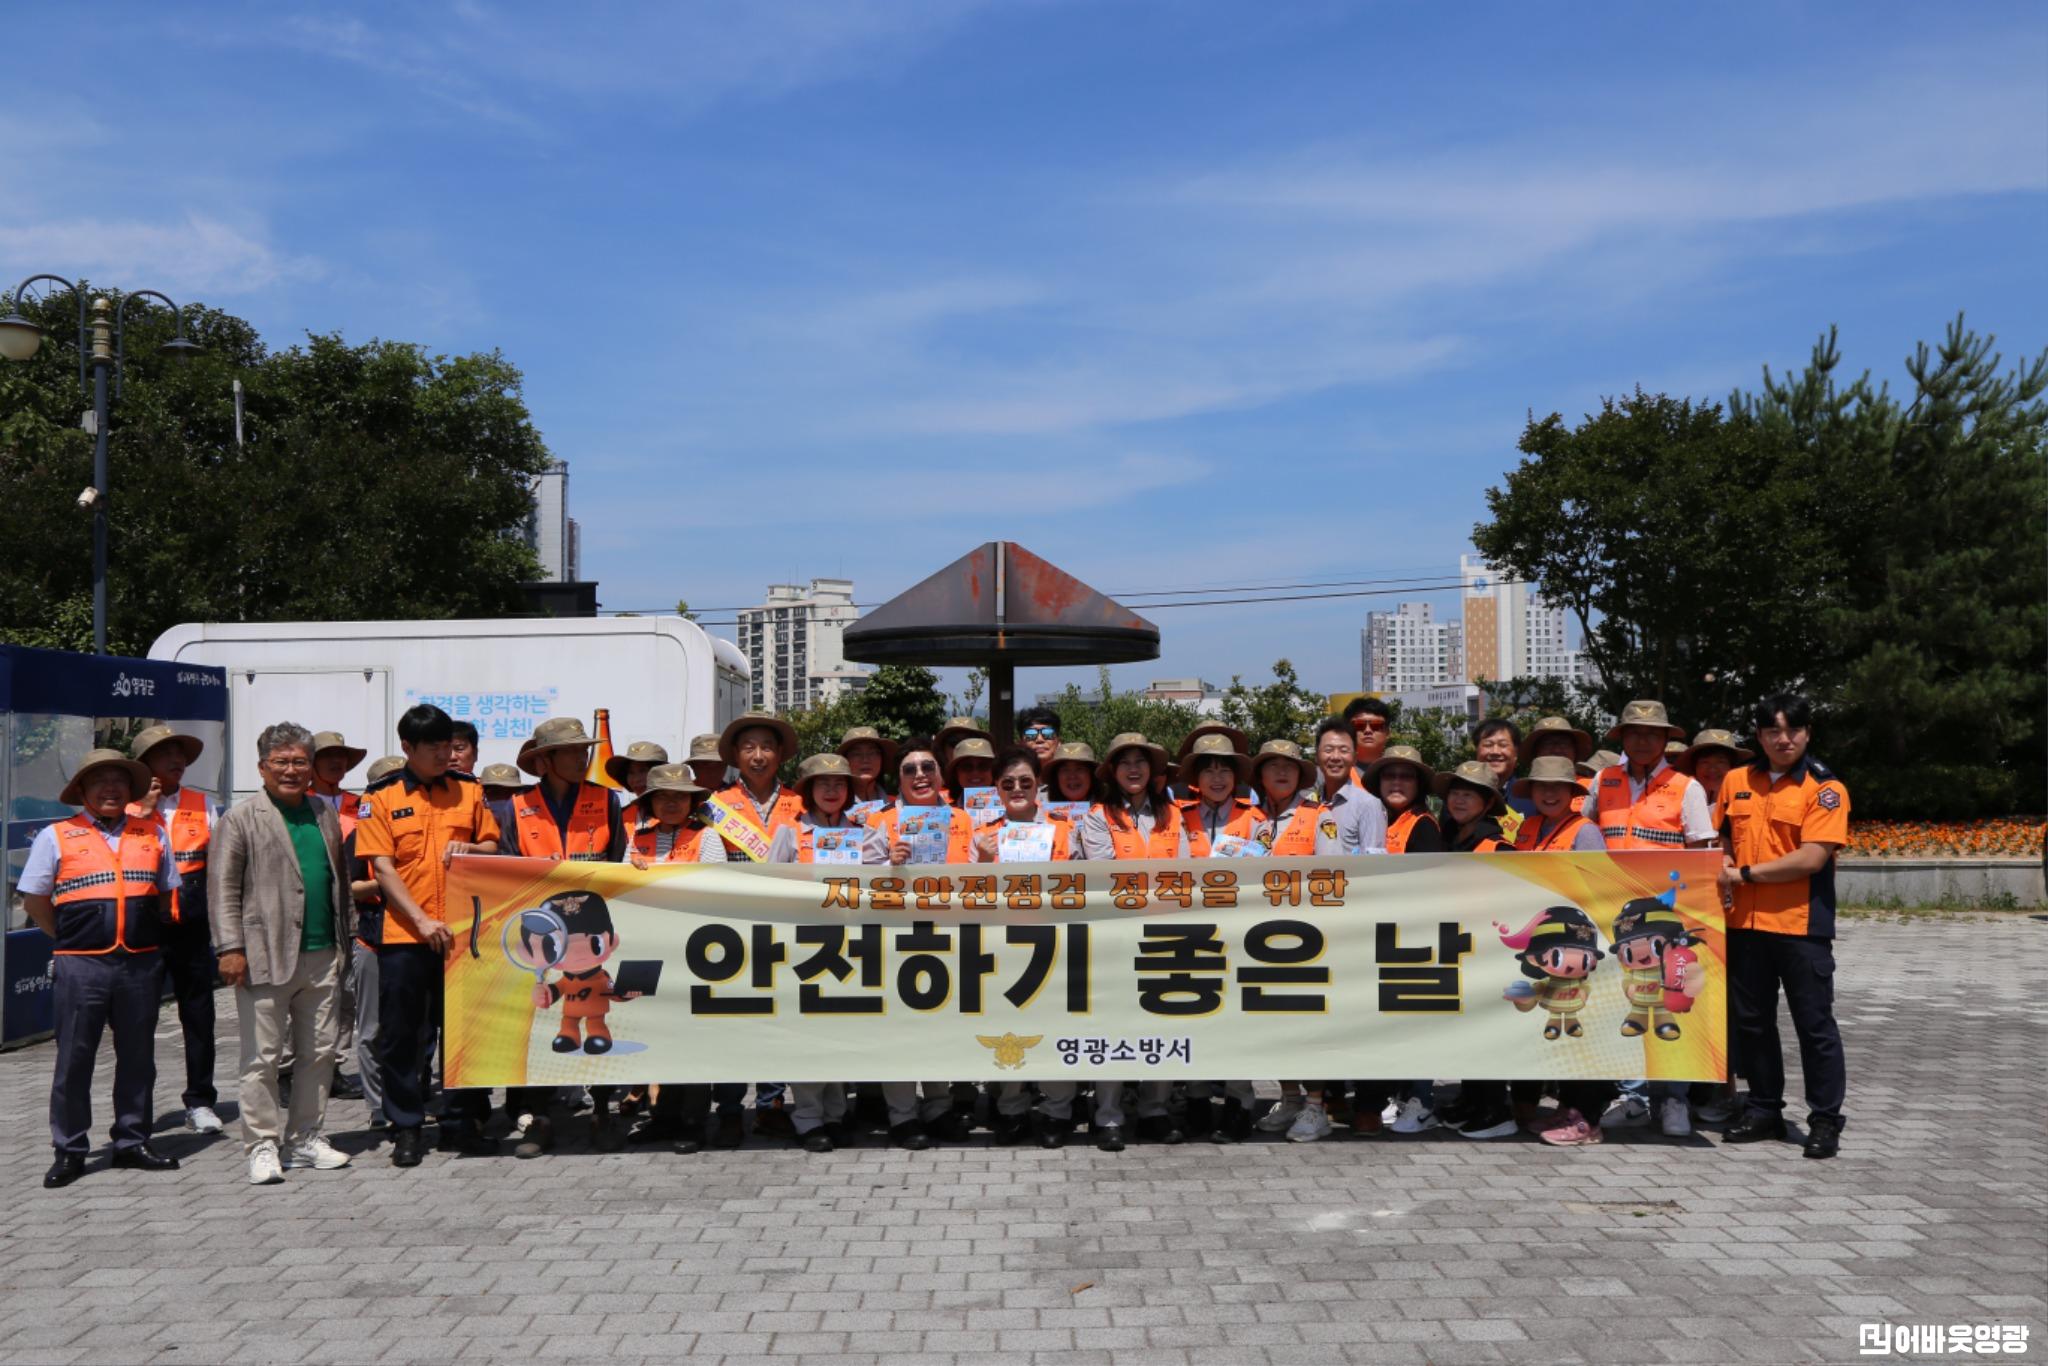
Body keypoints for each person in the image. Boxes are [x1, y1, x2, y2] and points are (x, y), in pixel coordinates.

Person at [23, 749, 183, 1187]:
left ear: (131, 790)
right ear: (82, 790)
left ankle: (132, 1141)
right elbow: (35, 900)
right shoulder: (56, 836)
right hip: (81, 965)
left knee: (138, 1057)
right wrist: (66, 938)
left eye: (119, 780)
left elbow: (165, 891)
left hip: (140, 963)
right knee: (74, 1059)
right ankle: (70, 1150)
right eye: (100, 781)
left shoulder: (153, 832)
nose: (110, 788)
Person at [355, 704, 502, 1169]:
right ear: (407, 747)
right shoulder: (379, 797)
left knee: (464, 1032)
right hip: (405, 936)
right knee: (403, 1036)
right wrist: (420, 921)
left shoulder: (469, 791)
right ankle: (407, 1126)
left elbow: (493, 846)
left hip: (462, 934)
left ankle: (462, 1122)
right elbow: (382, 868)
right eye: (433, 747)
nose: (444, 755)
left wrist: (472, 847)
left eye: (448, 746)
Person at [210, 723, 354, 1185]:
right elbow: (222, 889)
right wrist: (230, 948)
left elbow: (338, 881)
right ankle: (262, 1145)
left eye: (299, 762)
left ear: (311, 767)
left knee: (320, 1053)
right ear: (262, 768)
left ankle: (305, 1138)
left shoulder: (323, 812)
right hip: (263, 953)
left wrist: (347, 938)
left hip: (323, 951)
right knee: (262, 1058)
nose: (291, 770)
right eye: (281, 762)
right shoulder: (241, 818)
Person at [1718, 693, 1851, 1160]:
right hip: (1744, 925)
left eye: (1793, 729)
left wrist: (1745, 874)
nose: (1783, 739)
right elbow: (1722, 836)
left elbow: (1812, 858)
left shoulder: (1825, 788)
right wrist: (1725, 863)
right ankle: (1764, 1110)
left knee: (1814, 1026)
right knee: (1753, 1024)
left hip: (1801, 927)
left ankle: (1825, 1120)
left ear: (1808, 733)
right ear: (1758, 736)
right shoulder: (1736, 780)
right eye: (1773, 730)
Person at [497, 716, 632, 1156]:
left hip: (589, 928)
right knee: (539, 1025)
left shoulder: (607, 800)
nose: (581, 757)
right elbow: (505, 869)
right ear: (545, 761)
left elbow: (618, 863)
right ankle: (538, 1119)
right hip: (540, 930)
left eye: (583, 749)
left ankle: (602, 1112)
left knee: (600, 1018)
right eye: (570, 751)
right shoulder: (516, 806)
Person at [862, 740, 976, 1147]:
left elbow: (981, 874)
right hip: (897, 938)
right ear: (899, 779)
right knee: (900, 1029)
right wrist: (887, 864)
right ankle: (903, 1115)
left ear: (942, 775)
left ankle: (939, 1108)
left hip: (952, 935)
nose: (920, 775)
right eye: (909, 769)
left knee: (941, 1027)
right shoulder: (879, 820)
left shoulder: (963, 818)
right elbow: (857, 882)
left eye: (928, 767)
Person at [704, 711, 805, 1142]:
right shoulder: (715, 805)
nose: (758, 755)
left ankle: (771, 1104)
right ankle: (729, 1107)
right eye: (749, 747)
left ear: (780, 753)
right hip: (733, 925)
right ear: (735, 755)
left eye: (766, 746)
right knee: (732, 1017)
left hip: (786, 926)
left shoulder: (800, 802)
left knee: (778, 1015)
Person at [970, 748, 1079, 1149]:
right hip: (1002, 945)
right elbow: (968, 896)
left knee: (1055, 1027)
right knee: (1008, 1029)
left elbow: (1084, 883)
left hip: (1054, 942)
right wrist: (984, 862)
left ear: (1039, 785)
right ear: (997, 789)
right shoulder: (983, 834)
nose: (1017, 789)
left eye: (1025, 782)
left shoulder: (1064, 829)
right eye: (1008, 783)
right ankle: (1011, 1110)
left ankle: (1057, 1110)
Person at [618, 764, 727, 1153]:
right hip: (647, 948)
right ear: (649, 802)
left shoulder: (707, 837)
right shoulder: (636, 839)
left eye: (679, 796)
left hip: (691, 949)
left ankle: (694, 1121)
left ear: (692, 801)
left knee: (692, 1036)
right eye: (662, 796)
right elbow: (620, 888)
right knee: (654, 1032)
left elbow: (718, 887)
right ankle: (662, 1116)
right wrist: (633, 874)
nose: (670, 803)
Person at [1244, 739, 1347, 1143]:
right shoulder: (1252, 820)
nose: (1282, 772)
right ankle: (1289, 1098)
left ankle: (1316, 1107)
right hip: (1259, 937)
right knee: (1273, 1024)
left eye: (1289, 766)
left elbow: (1335, 874)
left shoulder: (1319, 816)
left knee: (1307, 1025)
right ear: (1261, 776)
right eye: (1273, 766)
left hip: (1307, 937)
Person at [1425, 761, 1522, 1141]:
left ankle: (1496, 1110)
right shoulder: (1448, 838)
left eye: (1470, 794)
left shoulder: (1499, 847)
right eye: (1455, 792)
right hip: (1457, 950)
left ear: (1487, 803)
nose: (1459, 800)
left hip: (1488, 955)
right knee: (1467, 1032)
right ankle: (1472, 1099)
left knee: (1488, 1033)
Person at [306, 730, 370, 1102]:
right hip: (314, 911)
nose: (336, 762)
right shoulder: (300, 804)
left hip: (354, 911)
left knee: (346, 993)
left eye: (342, 756)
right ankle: (293, 1069)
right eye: (327, 756)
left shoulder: (362, 805)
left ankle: (333, 1066)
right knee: (309, 993)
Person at [347, 755, 405, 1130]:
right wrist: (388, 881)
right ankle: (377, 1106)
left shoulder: (419, 828)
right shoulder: (358, 835)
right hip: (372, 940)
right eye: (389, 784)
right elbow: (349, 887)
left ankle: (408, 1098)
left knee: (411, 1029)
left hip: (413, 941)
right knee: (371, 1030)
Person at [1585, 700, 1717, 852]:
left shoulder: (1688, 788)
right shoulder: (1602, 779)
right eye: (1634, 733)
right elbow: (1582, 828)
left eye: (1653, 734)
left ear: (1666, 739)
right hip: (1607, 868)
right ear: (1622, 738)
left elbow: (1699, 852)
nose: (1642, 741)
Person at [1309, 717, 1388, 854]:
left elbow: (1373, 862)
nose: (1335, 757)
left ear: (1355, 758)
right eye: (1328, 750)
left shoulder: (1368, 805)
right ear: (1316, 756)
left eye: (1344, 750)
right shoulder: (1309, 803)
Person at [1509, 756, 1606, 851]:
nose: (1549, 792)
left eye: (1558, 785)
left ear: (1571, 791)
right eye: (1541, 785)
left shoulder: (1586, 832)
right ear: (1532, 792)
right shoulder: (1526, 825)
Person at [1361, 746, 1441, 854]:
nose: (1396, 782)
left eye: (1406, 776)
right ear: (1379, 782)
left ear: (1418, 784)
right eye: (1389, 775)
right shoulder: (1369, 818)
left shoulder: (1424, 827)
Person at [1672, 728, 1752, 829]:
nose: (1712, 769)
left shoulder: (1746, 801)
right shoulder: (1678, 800)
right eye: (1705, 762)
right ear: (1694, 767)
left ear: (1732, 767)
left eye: (1721, 762)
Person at [1471, 718, 1526, 842]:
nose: (1495, 751)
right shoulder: (1458, 797)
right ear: (1477, 750)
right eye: (1488, 745)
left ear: (1516, 753)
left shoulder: (1531, 797)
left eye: (1503, 745)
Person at [836, 725, 897, 821]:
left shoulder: (897, 806)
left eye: (872, 753)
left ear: (882, 759)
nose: (865, 759)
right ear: (845, 761)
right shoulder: (831, 806)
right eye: (856, 754)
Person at [1343, 696, 1392, 778]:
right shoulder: (1331, 772)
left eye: (1376, 725)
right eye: (1359, 725)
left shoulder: (1402, 771)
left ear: (1388, 733)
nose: (1367, 730)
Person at [1014, 706, 1062, 770]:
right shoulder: (1011, 774)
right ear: (1021, 743)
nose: (1039, 739)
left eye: (1047, 733)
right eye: (1031, 734)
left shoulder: (1071, 774)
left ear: (1059, 742)